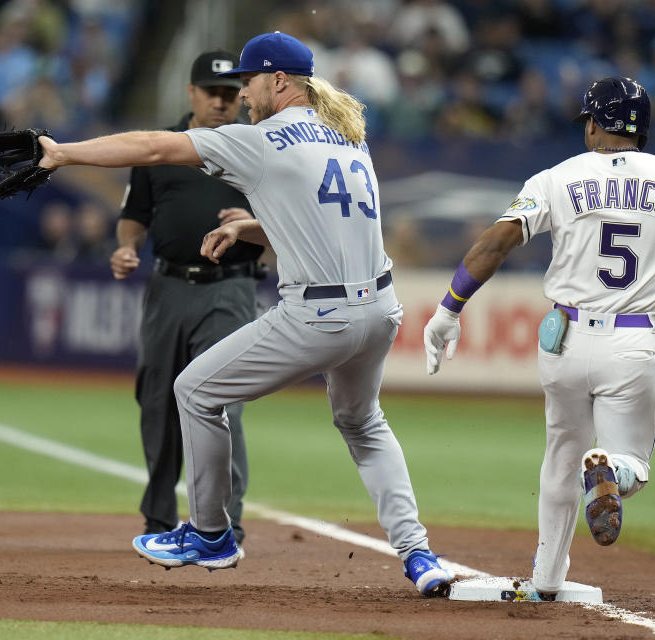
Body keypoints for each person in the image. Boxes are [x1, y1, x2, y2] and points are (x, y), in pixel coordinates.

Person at [35, 31, 451, 597]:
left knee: (197, 391)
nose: (243, 94)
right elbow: (328, 218)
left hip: (319, 316)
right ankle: (418, 554)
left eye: (249, 81)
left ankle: (210, 534)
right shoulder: (347, 136)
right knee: (363, 424)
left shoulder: (263, 141)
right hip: (379, 311)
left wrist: (62, 152)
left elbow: (155, 148)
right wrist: (248, 226)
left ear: (278, 80)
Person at [423, 77, 655, 599]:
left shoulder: (557, 178)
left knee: (560, 454)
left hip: (564, 340)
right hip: (632, 342)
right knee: (633, 468)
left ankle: (546, 580)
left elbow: (496, 242)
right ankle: (610, 469)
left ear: (596, 124)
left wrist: (449, 308)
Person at [109, 50, 263, 541]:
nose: (221, 102)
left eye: (229, 94)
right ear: (191, 93)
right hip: (168, 285)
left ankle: (225, 522)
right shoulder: (160, 148)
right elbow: (136, 213)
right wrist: (126, 247)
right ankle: (158, 517)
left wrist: (253, 229)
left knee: (221, 400)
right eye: (211, 92)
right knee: (156, 400)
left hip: (230, 287)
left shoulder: (258, 149)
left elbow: (288, 219)